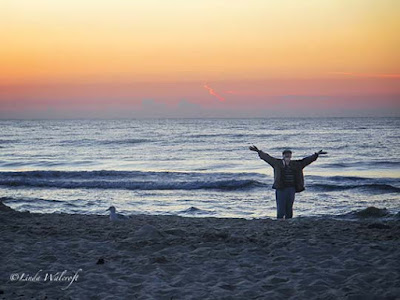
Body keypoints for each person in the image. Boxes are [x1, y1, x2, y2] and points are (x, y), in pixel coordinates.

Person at [249, 146, 326, 219]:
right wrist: (258, 151)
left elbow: (306, 160)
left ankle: (289, 220)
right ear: (283, 156)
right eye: (286, 156)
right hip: (280, 188)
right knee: (280, 206)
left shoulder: (296, 164)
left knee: (289, 206)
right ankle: (279, 220)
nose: (288, 157)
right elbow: (267, 157)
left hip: (291, 188)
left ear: (291, 156)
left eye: (289, 156)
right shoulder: (277, 163)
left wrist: (316, 155)